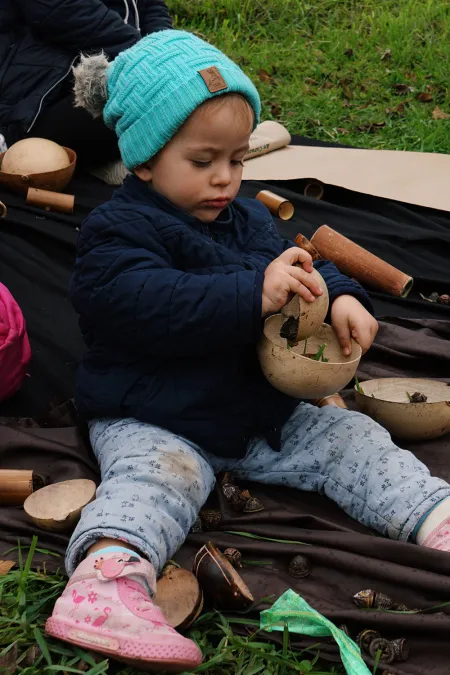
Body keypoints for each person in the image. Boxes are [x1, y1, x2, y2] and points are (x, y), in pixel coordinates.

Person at [45, 30, 450, 672]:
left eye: (237, 159)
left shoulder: (244, 218)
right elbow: (151, 305)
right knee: (155, 485)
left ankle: (433, 515)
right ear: (145, 159)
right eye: (203, 161)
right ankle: (104, 587)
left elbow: (294, 259)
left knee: (352, 441)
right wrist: (252, 293)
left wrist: (342, 297)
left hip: (257, 408)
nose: (225, 179)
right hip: (155, 413)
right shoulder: (116, 232)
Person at [0, 0, 171, 164]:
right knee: (147, 103)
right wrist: (149, 59)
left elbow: (152, 7)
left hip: (111, 64)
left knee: (177, 96)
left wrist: (165, 50)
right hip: (38, 94)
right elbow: (63, 10)